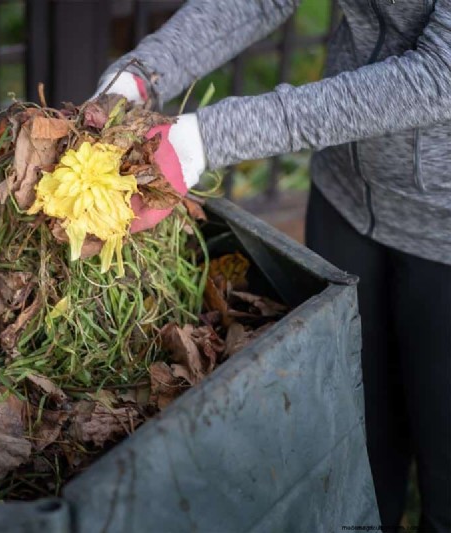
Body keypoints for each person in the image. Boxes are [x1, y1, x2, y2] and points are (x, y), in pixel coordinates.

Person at [97, 1, 450, 530]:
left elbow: (438, 78)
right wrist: (143, 76)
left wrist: (204, 140)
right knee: (355, 430)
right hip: (344, 197)